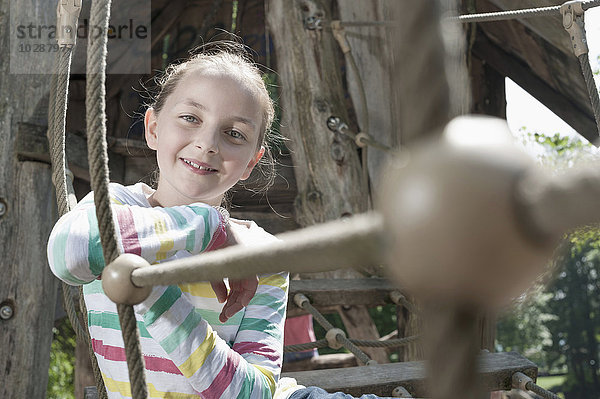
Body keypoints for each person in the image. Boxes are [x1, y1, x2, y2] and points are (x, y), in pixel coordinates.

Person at [47, 41, 390, 399]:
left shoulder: (261, 253)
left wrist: (156, 293)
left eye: (234, 134)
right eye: (191, 118)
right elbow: (68, 254)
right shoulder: (116, 206)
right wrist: (213, 228)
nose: (208, 143)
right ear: (152, 128)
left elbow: (255, 394)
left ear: (251, 163)